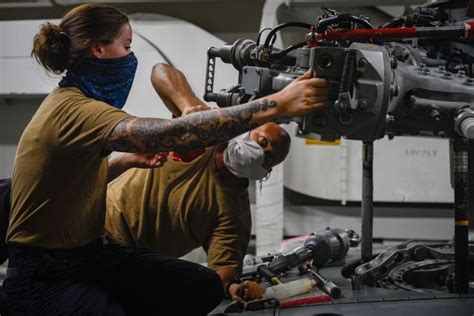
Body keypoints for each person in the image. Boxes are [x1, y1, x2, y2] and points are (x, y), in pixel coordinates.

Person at [4, 3, 328, 315]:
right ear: (98, 49)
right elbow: (175, 132)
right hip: (46, 272)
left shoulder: (81, 105)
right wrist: (277, 104)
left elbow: (68, 181)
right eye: (127, 45)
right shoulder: (75, 109)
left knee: (199, 288)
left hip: (91, 253)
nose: (131, 56)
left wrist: (125, 161)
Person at [106, 64, 292, 302]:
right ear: (247, 130)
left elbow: (222, 272)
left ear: (267, 170)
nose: (261, 152)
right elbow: (160, 72)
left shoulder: (233, 216)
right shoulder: (202, 137)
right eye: (262, 140)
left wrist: (233, 288)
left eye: (270, 156)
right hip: (93, 217)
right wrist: (189, 108)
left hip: (123, 261)